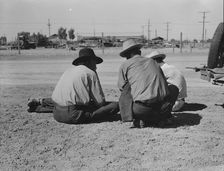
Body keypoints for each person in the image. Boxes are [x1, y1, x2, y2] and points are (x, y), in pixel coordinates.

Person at [27, 48, 119, 124]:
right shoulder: (90, 73)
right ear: (90, 61)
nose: (96, 66)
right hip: (73, 115)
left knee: (69, 101)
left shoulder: (68, 70)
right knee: (115, 105)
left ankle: (37, 106)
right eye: (95, 62)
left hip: (56, 112)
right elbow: (100, 102)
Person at [118, 39, 179, 128]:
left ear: (127, 55)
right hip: (163, 108)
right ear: (139, 51)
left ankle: (134, 119)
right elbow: (164, 84)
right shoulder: (153, 61)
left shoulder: (125, 65)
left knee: (126, 87)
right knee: (173, 88)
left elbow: (121, 87)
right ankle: (162, 118)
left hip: (141, 110)